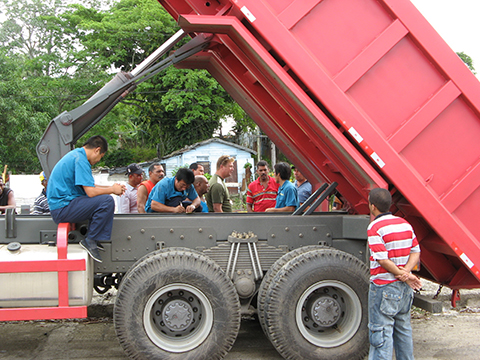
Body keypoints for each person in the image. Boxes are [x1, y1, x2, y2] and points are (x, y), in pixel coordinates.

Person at [47, 135, 125, 262]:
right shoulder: (81, 160)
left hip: (64, 205)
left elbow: (90, 186)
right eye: (101, 156)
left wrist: (112, 187)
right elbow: (91, 192)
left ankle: (93, 238)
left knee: (105, 198)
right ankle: (90, 240)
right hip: (63, 207)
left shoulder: (76, 156)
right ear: (97, 150)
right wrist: (112, 190)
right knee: (107, 201)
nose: (99, 160)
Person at [367, 188, 422, 360]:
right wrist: (406, 273)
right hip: (404, 290)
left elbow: (382, 260)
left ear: (373, 206)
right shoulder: (404, 224)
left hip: (384, 288)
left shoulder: (374, 227)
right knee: (403, 331)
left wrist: (402, 273)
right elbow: (416, 251)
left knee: (381, 335)